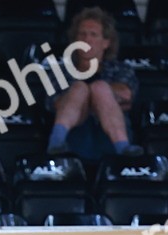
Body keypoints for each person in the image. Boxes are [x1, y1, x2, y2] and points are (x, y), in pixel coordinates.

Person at [48, 7, 141, 157]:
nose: (87, 39)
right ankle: (55, 143)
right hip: (74, 138)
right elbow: (55, 103)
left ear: (106, 43)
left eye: (93, 35)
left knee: (100, 88)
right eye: (82, 34)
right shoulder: (61, 71)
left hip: (109, 139)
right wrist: (82, 95)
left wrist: (95, 94)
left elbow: (126, 94)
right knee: (79, 88)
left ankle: (124, 150)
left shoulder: (121, 69)